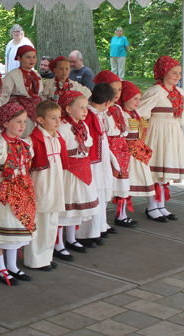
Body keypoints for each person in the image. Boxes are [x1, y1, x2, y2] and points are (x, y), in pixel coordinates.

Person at [0, 103, 36, 286]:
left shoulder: (25, 143)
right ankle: (0, 269)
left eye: (24, 121)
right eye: (18, 122)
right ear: (5, 123)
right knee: (1, 229)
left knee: (16, 228)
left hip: (22, 189)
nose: (22, 125)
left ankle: (12, 266)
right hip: (4, 191)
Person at [137, 56, 184, 221]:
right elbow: (140, 113)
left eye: (179, 73)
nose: (177, 76)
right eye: (173, 72)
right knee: (155, 170)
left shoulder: (180, 92)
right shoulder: (155, 91)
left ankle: (161, 205)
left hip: (172, 131)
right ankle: (152, 206)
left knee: (165, 170)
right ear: (164, 72)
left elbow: (181, 116)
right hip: (157, 132)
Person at [24, 100, 69, 267]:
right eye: (53, 118)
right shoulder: (32, 141)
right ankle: (35, 260)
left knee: (51, 223)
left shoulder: (57, 138)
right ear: (41, 120)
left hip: (55, 186)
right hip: (41, 187)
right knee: (40, 223)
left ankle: (47, 256)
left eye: (59, 118)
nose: (58, 122)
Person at [56, 91, 99, 257]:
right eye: (81, 107)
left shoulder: (84, 126)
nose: (85, 110)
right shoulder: (63, 127)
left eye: (86, 107)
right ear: (68, 108)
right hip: (69, 172)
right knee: (67, 208)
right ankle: (58, 243)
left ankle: (72, 238)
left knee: (76, 208)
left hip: (83, 170)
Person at [75, 83, 118, 247]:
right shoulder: (90, 116)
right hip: (93, 162)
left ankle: (96, 229)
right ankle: (85, 233)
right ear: (107, 103)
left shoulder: (97, 115)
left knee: (99, 195)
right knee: (92, 195)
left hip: (100, 161)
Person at [94, 70, 137, 230]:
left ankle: (121, 214)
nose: (117, 93)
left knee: (122, 184)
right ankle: (102, 220)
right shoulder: (101, 112)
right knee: (107, 185)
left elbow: (126, 127)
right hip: (109, 149)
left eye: (119, 89)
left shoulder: (118, 109)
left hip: (121, 150)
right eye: (113, 89)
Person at [119, 81, 158, 220]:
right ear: (125, 97)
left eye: (139, 98)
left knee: (141, 180)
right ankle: (121, 214)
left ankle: (153, 207)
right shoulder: (121, 114)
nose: (138, 101)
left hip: (138, 152)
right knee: (125, 183)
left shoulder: (135, 113)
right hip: (127, 153)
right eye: (134, 98)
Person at [1, 45, 43, 137]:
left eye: (34, 57)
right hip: (20, 110)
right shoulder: (13, 75)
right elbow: (3, 93)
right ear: (19, 58)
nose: (32, 60)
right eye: (28, 57)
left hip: (36, 110)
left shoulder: (37, 75)